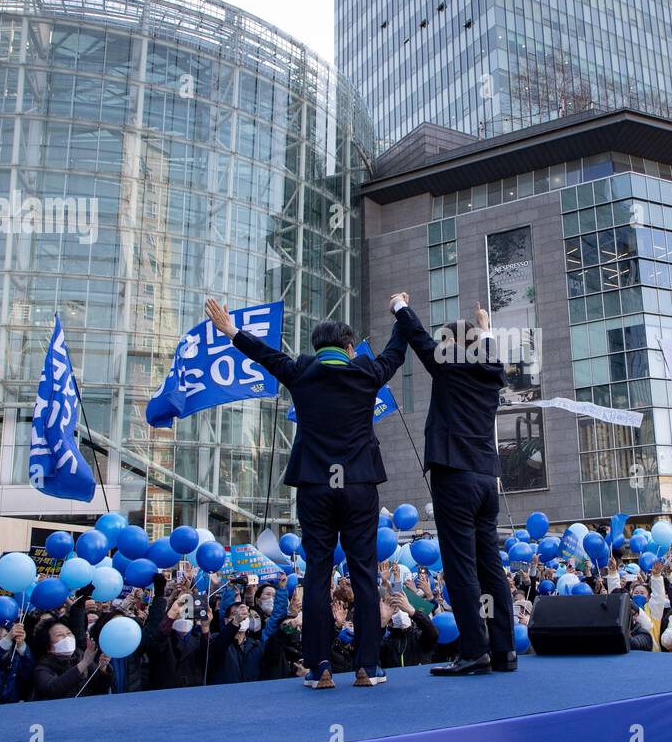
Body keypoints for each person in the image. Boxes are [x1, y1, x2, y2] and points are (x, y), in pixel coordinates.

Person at [208, 297, 406, 689]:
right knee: (364, 572)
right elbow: (396, 353)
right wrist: (400, 311)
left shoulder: (301, 370)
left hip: (316, 485)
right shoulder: (365, 370)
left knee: (317, 574)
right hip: (359, 485)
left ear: (318, 347)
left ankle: (320, 667)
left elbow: (266, 355)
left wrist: (231, 331)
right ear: (350, 347)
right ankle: (368, 665)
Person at [390, 293, 514, 676]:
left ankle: (475, 651)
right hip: (485, 479)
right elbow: (490, 351)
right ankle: (504, 650)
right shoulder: (492, 372)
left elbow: (419, 338)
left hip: (455, 477)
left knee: (461, 568)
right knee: (490, 565)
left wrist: (400, 306)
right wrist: (485, 327)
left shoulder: (450, 367)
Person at [32, 618, 113, 700]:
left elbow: (101, 685)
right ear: (48, 645)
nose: (67, 638)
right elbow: (52, 689)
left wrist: (102, 668)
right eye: (59, 635)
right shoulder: (42, 667)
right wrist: (83, 663)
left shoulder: (80, 655)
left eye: (69, 633)